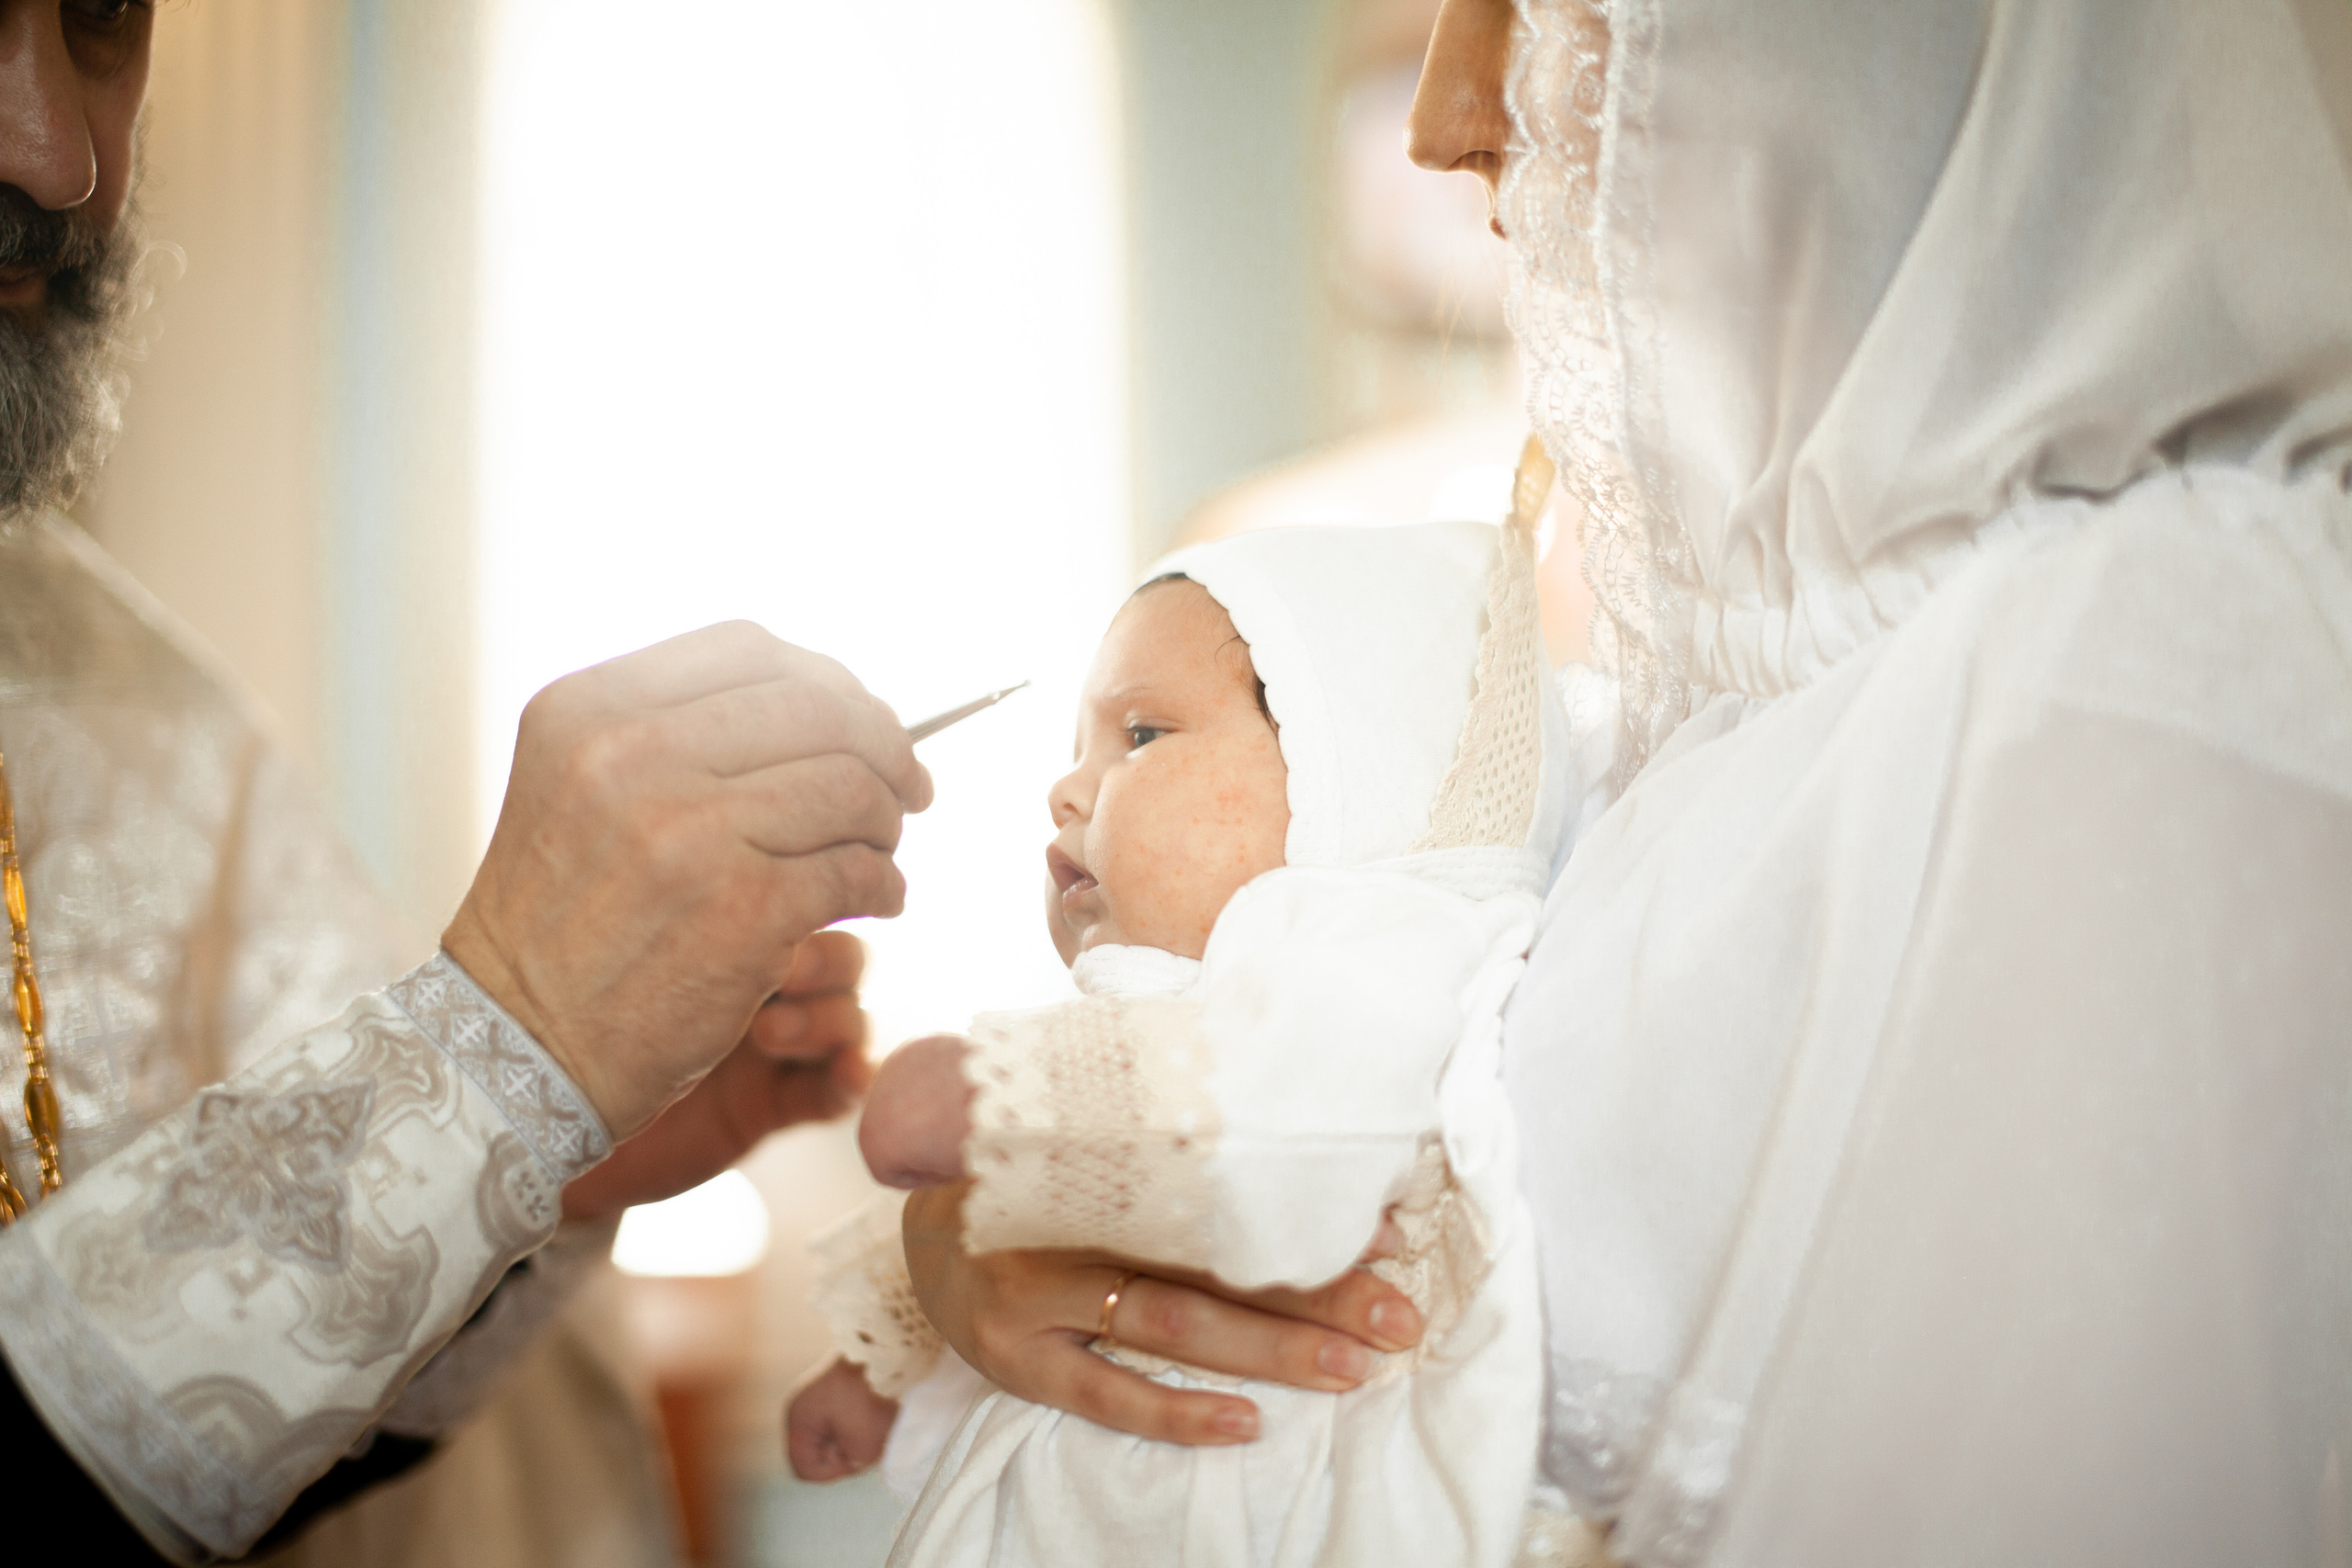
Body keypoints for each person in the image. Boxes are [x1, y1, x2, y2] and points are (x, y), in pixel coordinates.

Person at [903, 0, 2352, 1561]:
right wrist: (951, 1249)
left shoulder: (2133, 659)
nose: (1446, 117)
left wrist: (1007, 1126)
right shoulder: (1690, 725)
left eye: (1538, 7)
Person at [0, 2, 929, 1561]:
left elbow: (247, 1455)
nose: (60, 154)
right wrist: (499, 1044)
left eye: (101, 17)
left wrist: (538, 1166)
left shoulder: (137, 701)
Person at [794, 474, 1603, 1564]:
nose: (1065, 790)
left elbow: (1287, 1117)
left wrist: (981, 1099)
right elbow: (1007, 1219)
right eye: (1081, 746)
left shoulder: (1382, 947)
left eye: (1139, 734)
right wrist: (882, 1354)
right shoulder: (1158, 1010)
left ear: (1354, 776)